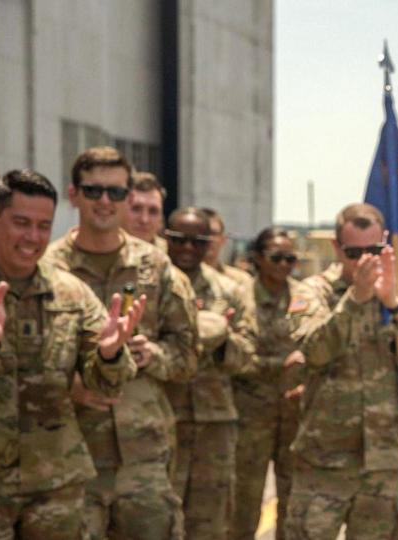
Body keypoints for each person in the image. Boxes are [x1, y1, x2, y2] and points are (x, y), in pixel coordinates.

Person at [0, 169, 142, 539]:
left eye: (44, 226)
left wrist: (107, 356)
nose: (33, 238)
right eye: (21, 223)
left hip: (56, 485)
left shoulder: (71, 293)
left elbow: (108, 384)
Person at [44, 145, 199, 540]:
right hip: (70, 456)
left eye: (115, 192)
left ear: (129, 197)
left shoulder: (157, 267)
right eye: (93, 191)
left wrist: (155, 356)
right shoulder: (47, 269)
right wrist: (70, 387)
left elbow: (188, 357)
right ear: (73, 194)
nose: (105, 201)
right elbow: (19, 359)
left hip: (143, 459)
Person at [284, 203, 398, 539]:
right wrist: (355, 299)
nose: (363, 261)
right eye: (354, 252)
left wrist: (396, 307)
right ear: (337, 248)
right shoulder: (314, 292)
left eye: (373, 250)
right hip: (324, 461)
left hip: (383, 462)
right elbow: (314, 350)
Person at [163, 208, 256, 539]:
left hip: (213, 424)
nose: (188, 247)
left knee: (211, 521)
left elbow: (248, 357)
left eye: (198, 240)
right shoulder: (150, 283)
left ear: (211, 243)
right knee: (157, 518)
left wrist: (221, 340)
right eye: (179, 239)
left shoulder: (229, 290)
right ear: (166, 238)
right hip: (162, 421)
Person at [231, 226, 310, 540]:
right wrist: (285, 362)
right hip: (251, 417)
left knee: (293, 504)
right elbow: (236, 356)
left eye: (291, 258)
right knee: (244, 502)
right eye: (277, 257)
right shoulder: (240, 298)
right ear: (258, 258)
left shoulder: (305, 298)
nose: (284, 265)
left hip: (295, 416)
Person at [203, 207, 254, 288]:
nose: (208, 238)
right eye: (203, 233)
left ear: (223, 239)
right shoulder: (179, 278)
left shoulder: (240, 280)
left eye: (213, 233)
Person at [123, 171, 168, 252]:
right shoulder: (101, 249)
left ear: (161, 218)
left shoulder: (174, 254)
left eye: (153, 211)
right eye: (136, 209)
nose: (144, 220)